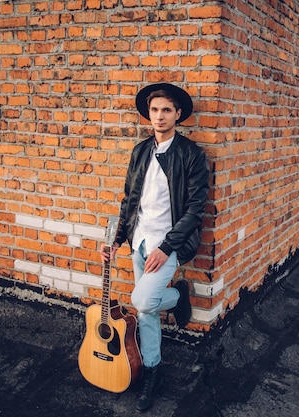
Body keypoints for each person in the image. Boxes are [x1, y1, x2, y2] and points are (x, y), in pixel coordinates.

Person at [100, 82, 209, 412]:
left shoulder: (191, 155)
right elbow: (129, 201)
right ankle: (152, 369)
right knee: (146, 311)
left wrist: (167, 247)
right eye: (154, 110)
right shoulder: (140, 151)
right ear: (148, 115)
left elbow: (195, 208)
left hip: (169, 244)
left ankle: (177, 296)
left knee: (142, 300)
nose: (159, 116)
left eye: (166, 110)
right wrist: (117, 240)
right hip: (140, 242)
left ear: (178, 114)